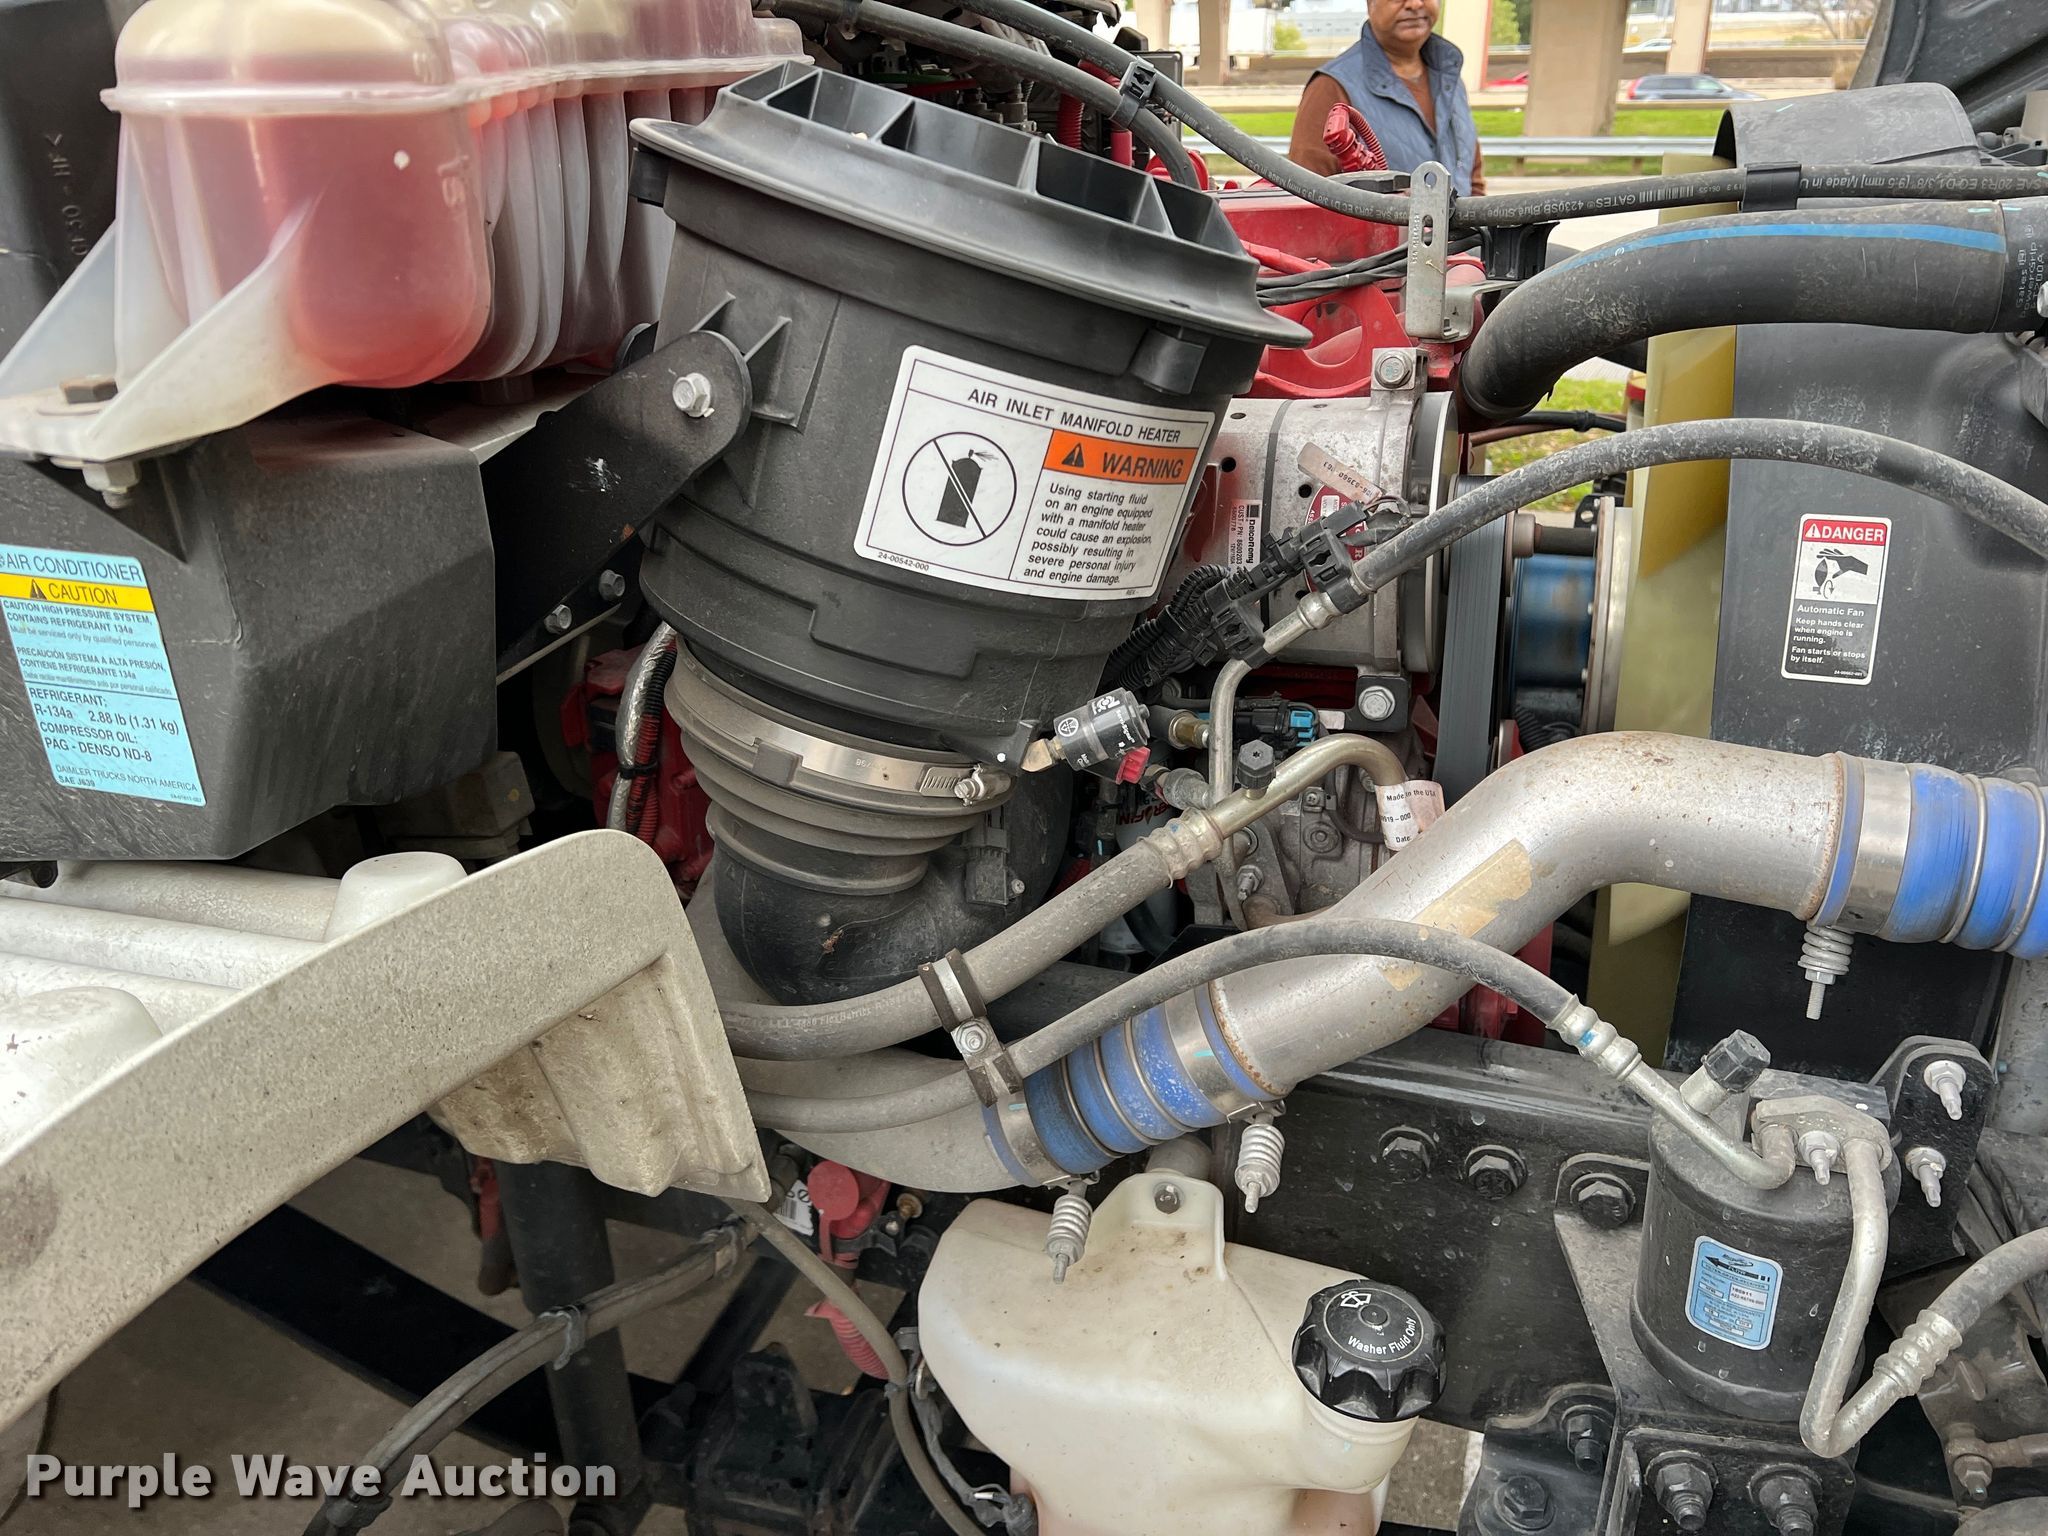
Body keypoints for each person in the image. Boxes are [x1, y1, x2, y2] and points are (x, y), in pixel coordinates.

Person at [1287, 0, 1485, 194]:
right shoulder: (1331, 87)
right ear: (1369, 4)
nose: (1415, 4)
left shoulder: (1450, 78)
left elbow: (1472, 181)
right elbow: (1306, 199)